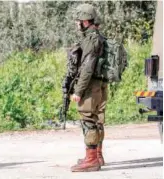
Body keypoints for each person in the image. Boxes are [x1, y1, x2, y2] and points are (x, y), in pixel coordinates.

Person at [70, 3, 106, 172]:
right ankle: (96, 155)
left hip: (91, 86)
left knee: (88, 120)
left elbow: (87, 68)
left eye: (78, 20)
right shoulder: (97, 36)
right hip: (98, 84)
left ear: (84, 21)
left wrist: (78, 91)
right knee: (96, 119)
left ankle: (92, 160)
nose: (77, 23)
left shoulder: (92, 39)